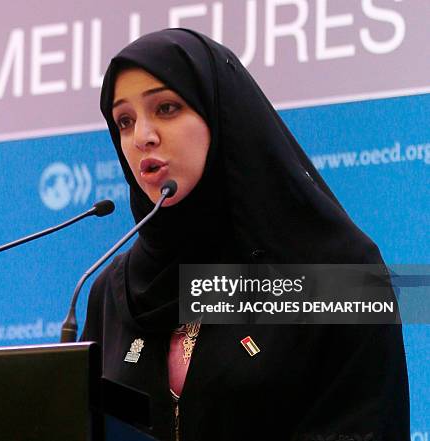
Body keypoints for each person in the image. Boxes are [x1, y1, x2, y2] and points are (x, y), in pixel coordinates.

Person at [81, 28, 409, 441]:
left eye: (166, 108)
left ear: (221, 116)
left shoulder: (340, 275)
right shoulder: (112, 291)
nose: (142, 136)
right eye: (124, 121)